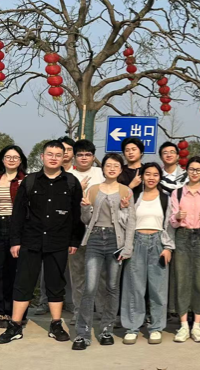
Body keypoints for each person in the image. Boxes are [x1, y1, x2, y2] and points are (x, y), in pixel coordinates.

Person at [0, 140, 84, 344]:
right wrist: (15, 241)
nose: (53, 158)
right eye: (49, 154)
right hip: (31, 241)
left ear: (64, 158)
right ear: (42, 156)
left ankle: (56, 324)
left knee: (56, 284)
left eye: (58, 155)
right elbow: (18, 213)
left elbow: (76, 215)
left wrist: (74, 240)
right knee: (23, 283)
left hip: (58, 242)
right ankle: (15, 325)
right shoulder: (30, 181)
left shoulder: (71, 182)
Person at [72, 154, 135, 350]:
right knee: (90, 287)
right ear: (103, 168)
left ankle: (107, 329)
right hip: (95, 239)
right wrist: (84, 208)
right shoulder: (93, 189)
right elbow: (85, 219)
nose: (112, 168)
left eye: (116, 165)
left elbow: (130, 222)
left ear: (120, 169)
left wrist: (128, 247)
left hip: (116, 240)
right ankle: (82, 333)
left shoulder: (126, 191)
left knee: (112, 287)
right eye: (108, 165)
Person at [121, 162, 175, 345]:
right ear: (142, 176)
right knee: (134, 288)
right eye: (148, 174)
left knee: (158, 289)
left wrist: (168, 247)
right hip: (136, 242)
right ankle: (132, 327)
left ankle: (156, 327)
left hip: (158, 243)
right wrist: (124, 206)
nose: (151, 178)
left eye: (155, 174)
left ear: (160, 177)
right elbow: (124, 222)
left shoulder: (166, 198)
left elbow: (169, 225)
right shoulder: (135, 196)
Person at [169, 157, 200, 343]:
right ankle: (183, 325)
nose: (195, 173)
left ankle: (197, 325)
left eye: (198, 170)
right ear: (186, 170)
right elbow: (172, 221)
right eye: (192, 169)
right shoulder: (178, 193)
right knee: (182, 279)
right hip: (183, 236)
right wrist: (178, 216)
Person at [0, 145, 27, 328]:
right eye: (8, 157)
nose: (11, 160)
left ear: (21, 160)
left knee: (14, 271)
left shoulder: (26, 181)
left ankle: (14, 313)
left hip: (17, 228)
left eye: (15, 157)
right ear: (2, 159)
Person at [36, 136, 77, 316]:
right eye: (62, 150)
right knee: (47, 269)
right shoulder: (40, 177)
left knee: (69, 270)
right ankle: (44, 301)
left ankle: (70, 301)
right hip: (45, 231)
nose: (64, 153)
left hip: (68, 230)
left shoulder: (74, 178)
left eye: (68, 150)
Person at [68, 138, 106, 325]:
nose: (84, 158)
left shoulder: (101, 173)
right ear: (74, 157)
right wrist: (78, 190)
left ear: (93, 156)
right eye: (80, 155)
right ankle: (79, 312)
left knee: (101, 274)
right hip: (76, 230)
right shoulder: (67, 175)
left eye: (88, 155)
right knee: (78, 274)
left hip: (99, 229)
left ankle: (102, 312)